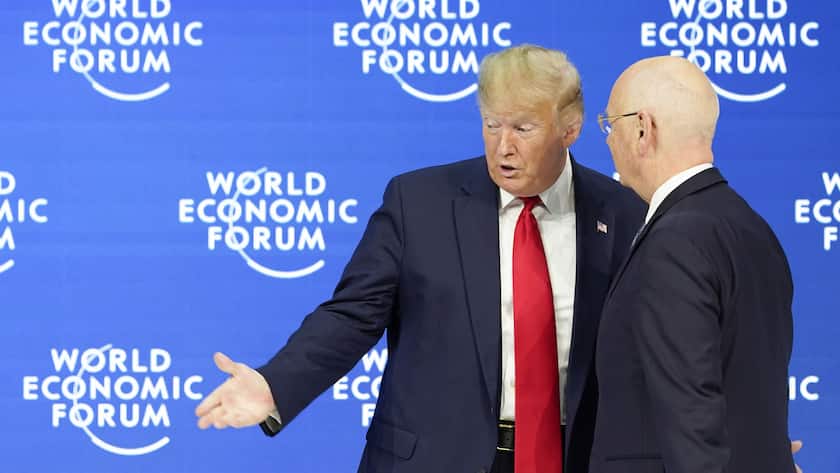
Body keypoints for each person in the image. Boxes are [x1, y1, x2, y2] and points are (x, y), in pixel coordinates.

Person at [195, 44, 645, 473]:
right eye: (491, 124)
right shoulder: (419, 204)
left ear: (571, 128)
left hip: (569, 459)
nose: (503, 146)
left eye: (523, 128)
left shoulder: (623, 213)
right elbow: (351, 317)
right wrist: (275, 385)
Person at [590, 56, 797, 473]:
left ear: (642, 130)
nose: (609, 141)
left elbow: (691, 418)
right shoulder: (752, 227)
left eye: (610, 126)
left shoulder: (675, 241)